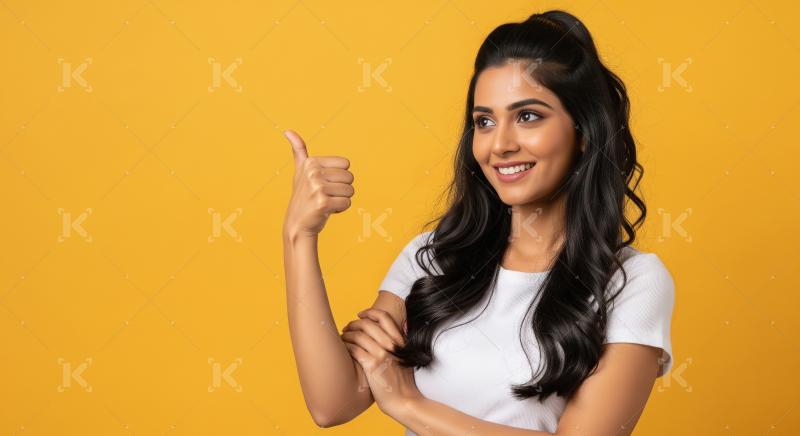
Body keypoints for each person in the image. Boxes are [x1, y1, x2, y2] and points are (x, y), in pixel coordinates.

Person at [282, 9, 675, 435]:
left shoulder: (632, 280)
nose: (500, 144)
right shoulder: (434, 256)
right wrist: (299, 236)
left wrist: (407, 404)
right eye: (484, 121)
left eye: (527, 116)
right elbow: (332, 403)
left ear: (582, 132)